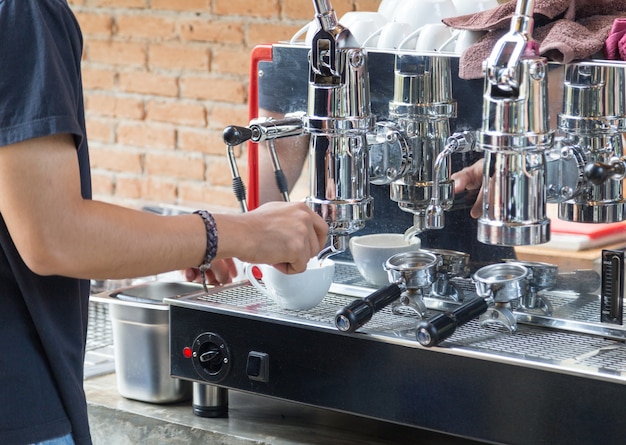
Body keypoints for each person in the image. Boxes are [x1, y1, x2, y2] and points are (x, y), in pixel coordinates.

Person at [0, 2, 328, 445]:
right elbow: (54, 236)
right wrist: (240, 232)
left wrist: (194, 241)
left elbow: (27, 205)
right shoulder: (23, 11)